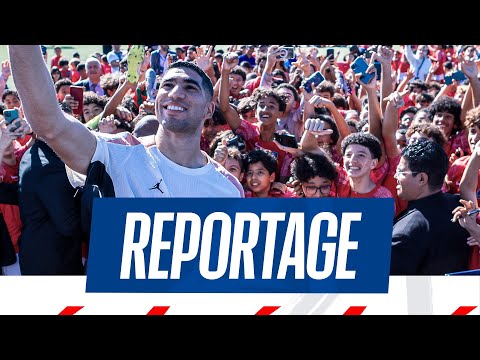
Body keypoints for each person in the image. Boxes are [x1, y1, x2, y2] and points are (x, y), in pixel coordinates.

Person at [8, 45, 244, 199]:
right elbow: (48, 122)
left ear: (209, 108)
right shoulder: (120, 152)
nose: (175, 94)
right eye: (168, 85)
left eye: (190, 87)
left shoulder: (228, 188)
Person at [391, 139, 470, 275]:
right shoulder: (459, 207)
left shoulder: (405, 233)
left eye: (401, 172)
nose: (395, 176)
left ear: (422, 179)